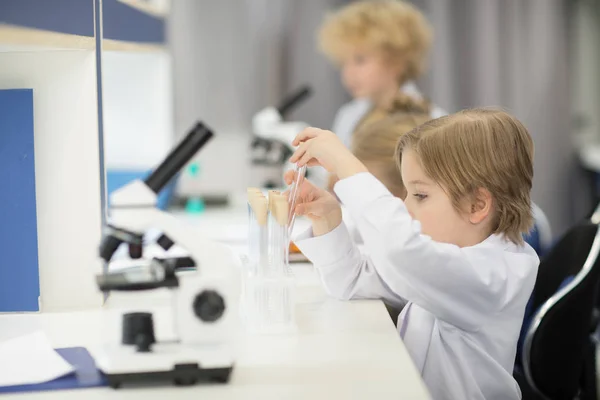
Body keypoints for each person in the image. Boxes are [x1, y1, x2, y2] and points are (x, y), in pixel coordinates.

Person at [285, 109, 539, 399]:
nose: (405, 206)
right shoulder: (447, 258)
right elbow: (352, 281)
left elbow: (401, 252)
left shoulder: (497, 273)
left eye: (419, 195)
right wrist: (328, 220)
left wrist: (347, 167)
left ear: (476, 205)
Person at [318, 0, 446, 149]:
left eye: (360, 60)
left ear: (396, 60)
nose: (348, 73)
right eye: (343, 62)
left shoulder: (433, 122)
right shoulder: (348, 116)